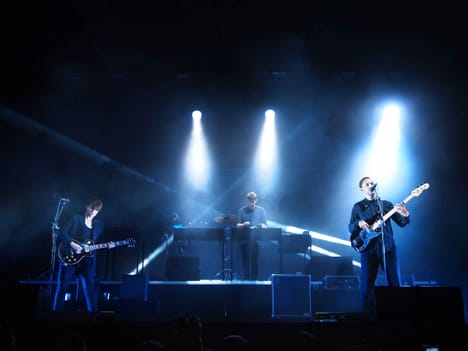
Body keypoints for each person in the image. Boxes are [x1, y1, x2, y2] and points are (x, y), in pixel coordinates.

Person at [348, 177, 410, 319]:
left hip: (387, 248)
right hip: (369, 250)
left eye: (372, 183)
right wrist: (358, 223)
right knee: (367, 286)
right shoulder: (357, 207)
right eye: (367, 184)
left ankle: (398, 317)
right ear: (362, 189)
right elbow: (350, 228)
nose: (371, 185)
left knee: (395, 283)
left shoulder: (386, 205)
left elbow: (401, 222)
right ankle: (367, 318)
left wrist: (405, 214)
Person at [52, 197, 107, 313]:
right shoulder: (75, 218)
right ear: (87, 206)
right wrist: (72, 244)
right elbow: (61, 232)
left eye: (96, 210)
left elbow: (98, 243)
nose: (93, 212)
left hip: (87, 261)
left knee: (90, 289)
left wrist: (108, 245)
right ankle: (55, 317)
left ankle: (93, 318)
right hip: (69, 256)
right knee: (63, 287)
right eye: (91, 208)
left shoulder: (99, 225)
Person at [236, 191, 267, 280]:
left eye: (253, 200)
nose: (252, 202)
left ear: (256, 200)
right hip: (245, 241)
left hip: (256, 241)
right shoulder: (242, 210)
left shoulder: (261, 210)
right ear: (247, 200)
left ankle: (254, 282)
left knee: (254, 262)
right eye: (250, 200)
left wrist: (260, 226)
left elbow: (265, 225)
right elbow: (238, 225)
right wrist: (244, 224)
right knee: (245, 262)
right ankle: (246, 282)